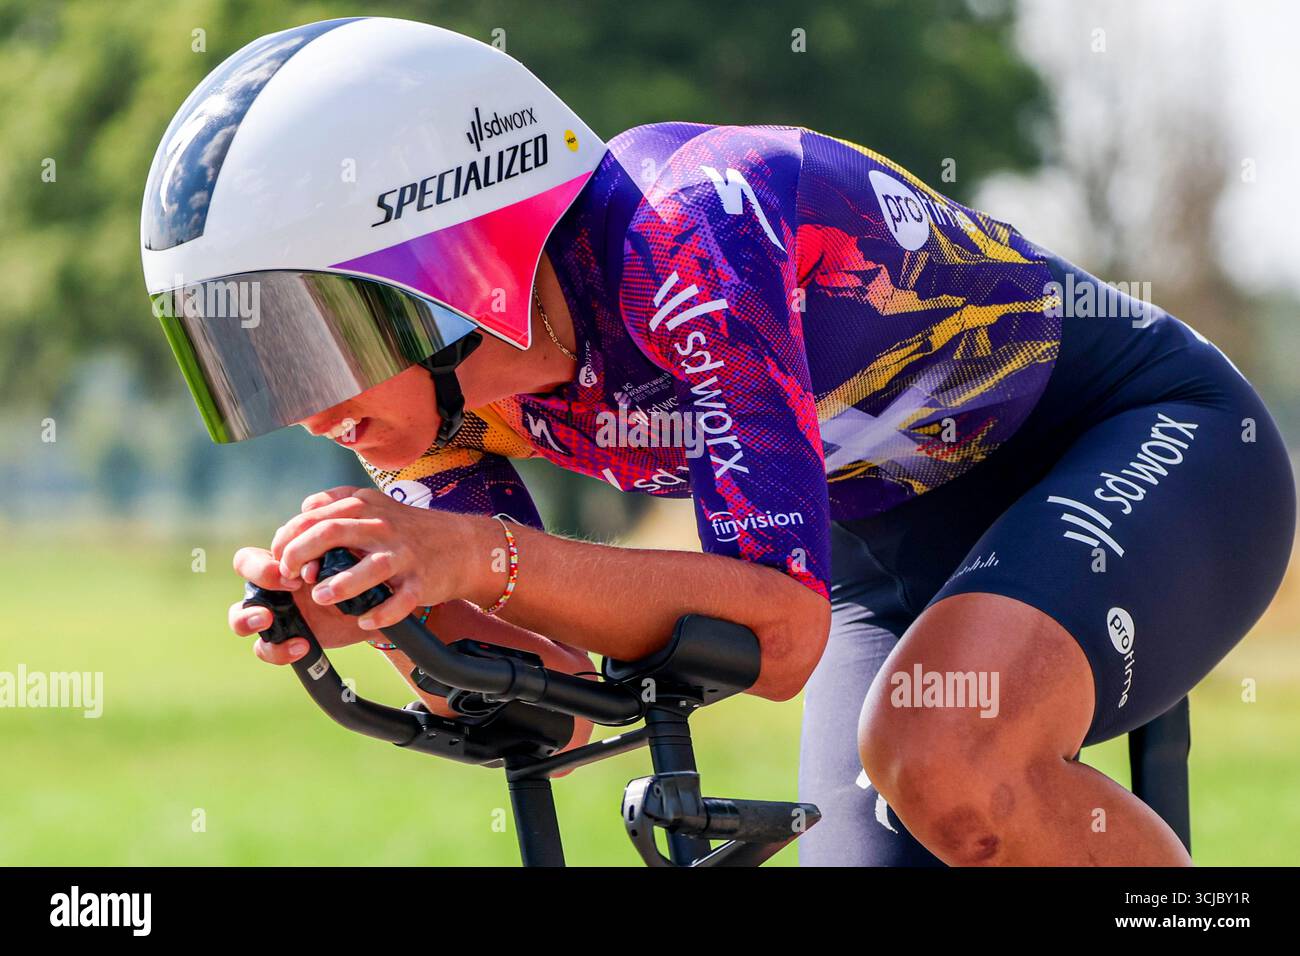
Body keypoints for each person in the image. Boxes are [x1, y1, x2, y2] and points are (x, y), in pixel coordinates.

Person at [142, 17, 1295, 866]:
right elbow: (551, 700)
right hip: (884, 545)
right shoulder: (435, 408)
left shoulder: (683, 225)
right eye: (259, 362)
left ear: (449, 267)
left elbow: (776, 629)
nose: (307, 407)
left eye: (316, 338)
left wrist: (473, 557)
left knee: (945, 755)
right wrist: (398, 617)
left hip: (1134, 439)